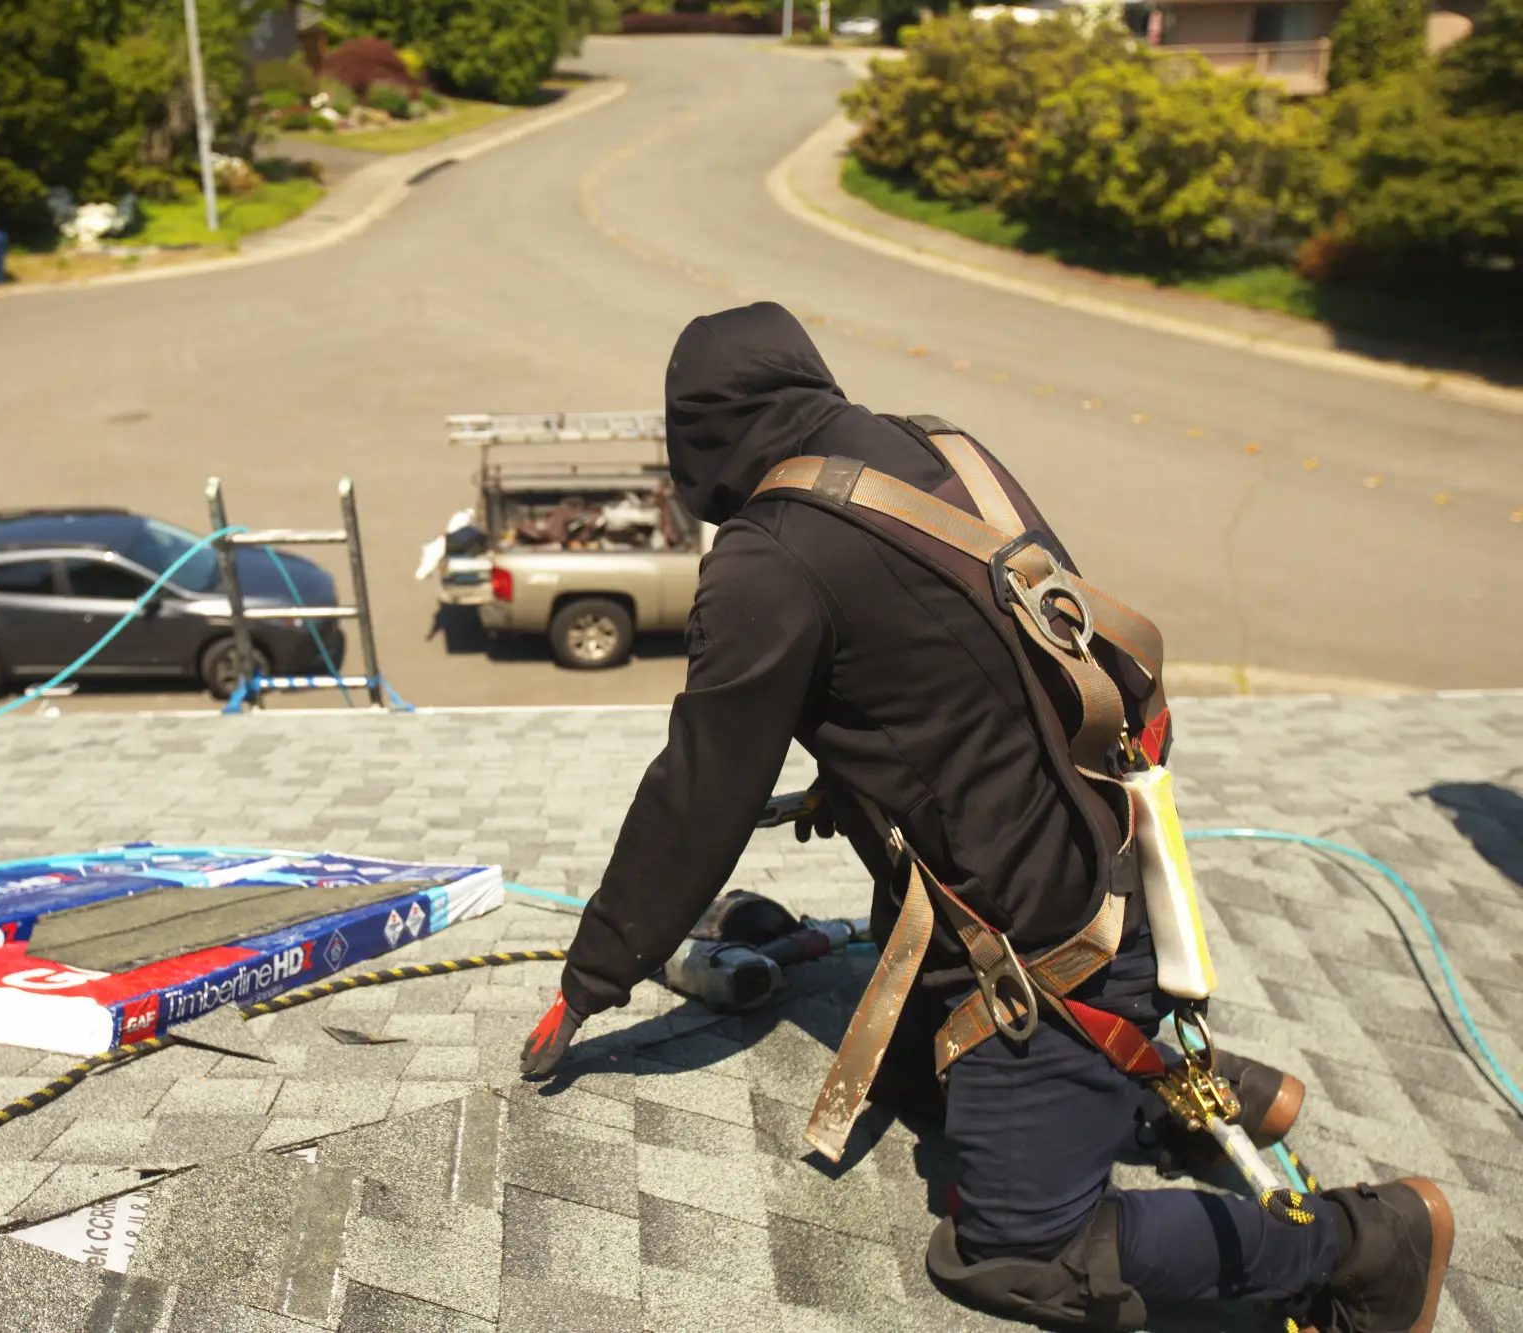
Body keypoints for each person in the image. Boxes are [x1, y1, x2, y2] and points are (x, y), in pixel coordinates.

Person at [518, 302, 1454, 1333]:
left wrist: (590, 978)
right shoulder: (934, 449)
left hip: (1049, 955)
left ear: (697, 441)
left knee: (1015, 1256)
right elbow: (970, 665)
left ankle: (1362, 1247)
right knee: (910, 1074)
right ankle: (1167, 1084)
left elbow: (697, 794)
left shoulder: (767, 558)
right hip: (1110, 856)